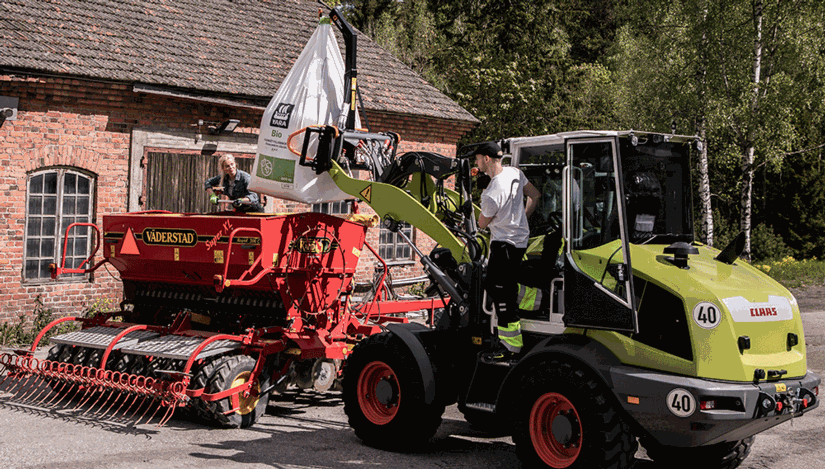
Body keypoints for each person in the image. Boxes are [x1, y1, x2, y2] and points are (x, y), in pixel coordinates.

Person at [475, 141, 541, 361]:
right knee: (502, 284)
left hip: (503, 244)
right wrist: (522, 218)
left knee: (499, 290)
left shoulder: (491, 193)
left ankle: (510, 346)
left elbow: (481, 224)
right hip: (520, 241)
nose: (476, 163)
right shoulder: (515, 173)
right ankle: (536, 299)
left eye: (477, 159)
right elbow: (535, 195)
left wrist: (481, 194)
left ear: (486, 159)